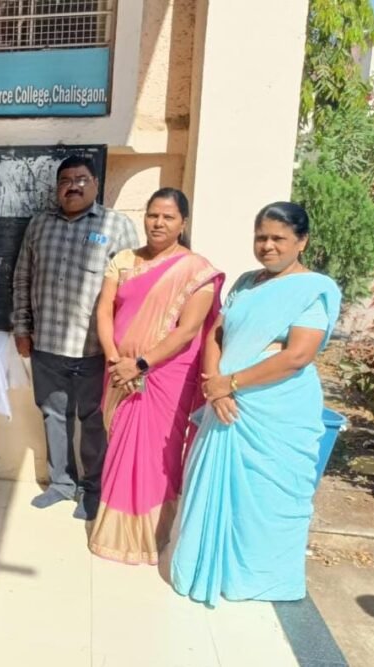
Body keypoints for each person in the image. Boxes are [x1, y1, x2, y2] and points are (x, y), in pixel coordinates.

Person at [169, 202, 341, 606]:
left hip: (276, 412)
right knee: (214, 489)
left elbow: (297, 355)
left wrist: (231, 383)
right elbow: (216, 334)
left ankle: (257, 579)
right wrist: (215, 385)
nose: (267, 245)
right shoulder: (246, 282)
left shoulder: (313, 289)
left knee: (266, 498)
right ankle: (204, 567)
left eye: (279, 238)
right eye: (261, 237)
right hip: (225, 404)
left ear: (302, 241)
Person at [87, 188, 223, 564]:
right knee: (120, 447)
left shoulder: (197, 271)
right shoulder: (123, 260)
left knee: (157, 454)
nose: (158, 223)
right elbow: (104, 311)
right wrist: (115, 361)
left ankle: (151, 534)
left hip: (166, 376)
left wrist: (141, 364)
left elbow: (187, 330)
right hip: (119, 371)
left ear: (183, 223)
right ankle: (113, 534)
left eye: (168, 217)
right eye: (152, 215)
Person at [12, 154, 139, 520]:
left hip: (96, 348)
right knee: (53, 414)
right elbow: (22, 278)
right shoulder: (39, 224)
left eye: (81, 179)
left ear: (96, 184)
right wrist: (22, 327)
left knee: (94, 420)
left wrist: (123, 347)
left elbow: (132, 288)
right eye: (65, 180)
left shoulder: (117, 226)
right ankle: (61, 484)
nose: (73, 186)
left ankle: (93, 489)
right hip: (47, 344)